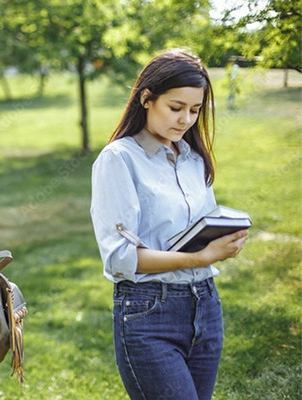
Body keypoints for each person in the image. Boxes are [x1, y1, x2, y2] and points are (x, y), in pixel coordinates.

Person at [90, 49, 249, 400]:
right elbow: (120, 259)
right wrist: (200, 258)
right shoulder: (119, 159)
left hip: (206, 306)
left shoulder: (192, 158)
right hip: (149, 313)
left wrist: (225, 237)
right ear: (147, 98)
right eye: (176, 108)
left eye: (195, 110)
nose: (186, 120)